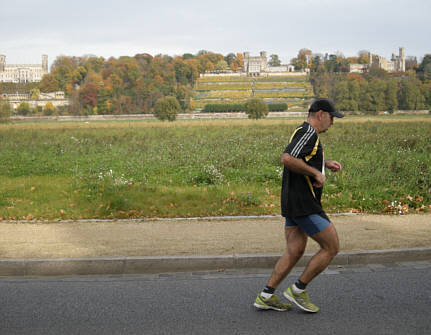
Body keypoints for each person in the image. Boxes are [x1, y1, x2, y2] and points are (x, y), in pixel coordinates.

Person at [254, 98, 344, 313]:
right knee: (331, 247)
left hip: (292, 201)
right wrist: (315, 173)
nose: (333, 123)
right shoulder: (309, 133)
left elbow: (301, 156)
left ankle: (266, 295)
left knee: (295, 250)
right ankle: (298, 289)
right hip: (305, 203)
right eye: (332, 118)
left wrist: (322, 163)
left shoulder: (302, 131)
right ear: (321, 114)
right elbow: (287, 158)